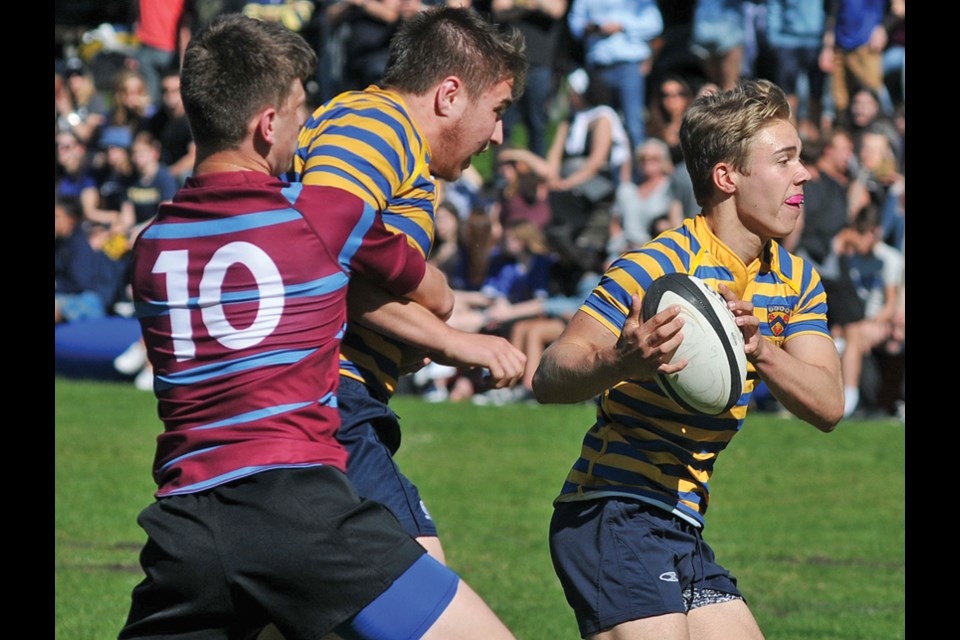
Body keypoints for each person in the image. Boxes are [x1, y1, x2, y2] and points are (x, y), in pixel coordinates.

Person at [119, 13, 518, 640]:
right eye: (302, 111)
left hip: (188, 517)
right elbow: (420, 283)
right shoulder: (320, 209)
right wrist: (447, 328)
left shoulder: (153, 243)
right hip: (298, 493)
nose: (309, 131)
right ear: (268, 123)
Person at [533, 79, 844, 639]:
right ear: (727, 177)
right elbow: (551, 373)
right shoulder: (658, 267)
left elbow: (829, 405)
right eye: (785, 160)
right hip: (611, 509)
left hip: (681, 522)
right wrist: (620, 361)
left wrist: (763, 350)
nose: (805, 174)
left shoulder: (797, 281)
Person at [291, 4, 528, 568]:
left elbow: (345, 262)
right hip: (326, 398)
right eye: (496, 111)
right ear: (449, 95)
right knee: (429, 595)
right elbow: (318, 233)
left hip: (332, 398)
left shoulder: (399, 147)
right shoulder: (379, 125)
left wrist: (412, 328)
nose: (497, 135)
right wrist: (447, 325)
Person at [566, 0, 664, 151]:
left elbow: (655, 24)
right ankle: (607, 172)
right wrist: (590, 28)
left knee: (634, 125)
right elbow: (575, 24)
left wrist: (622, 26)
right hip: (599, 68)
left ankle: (640, 172)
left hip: (629, 66)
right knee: (604, 125)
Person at [491, 0, 568, 157]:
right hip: (509, 64)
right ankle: (503, 177)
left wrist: (519, 5)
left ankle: (537, 177)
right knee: (504, 124)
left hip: (540, 63)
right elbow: (499, 9)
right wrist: (535, 6)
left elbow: (557, 10)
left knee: (537, 124)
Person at [606, 136, 683, 263]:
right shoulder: (627, 191)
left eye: (654, 159)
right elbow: (615, 224)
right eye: (643, 158)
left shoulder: (670, 187)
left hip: (654, 253)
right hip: (623, 251)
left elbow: (674, 223)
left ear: (664, 161)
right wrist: (617, 248)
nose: (648, 161)